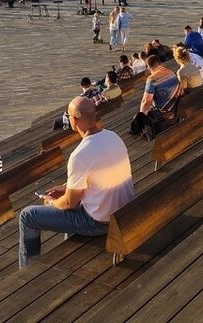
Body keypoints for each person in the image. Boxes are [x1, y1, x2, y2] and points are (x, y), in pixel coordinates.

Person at [19, 96, 133, 268]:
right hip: (123, 213)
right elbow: (101, 173)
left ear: (74, 120)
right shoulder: (113, 137)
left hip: (98, 223)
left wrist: (51, 202)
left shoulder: (80, 155)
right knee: (70, 204)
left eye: (68, 116)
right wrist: (66, 187)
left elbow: (68, 204)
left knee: (27, 216)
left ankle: (27, 269)